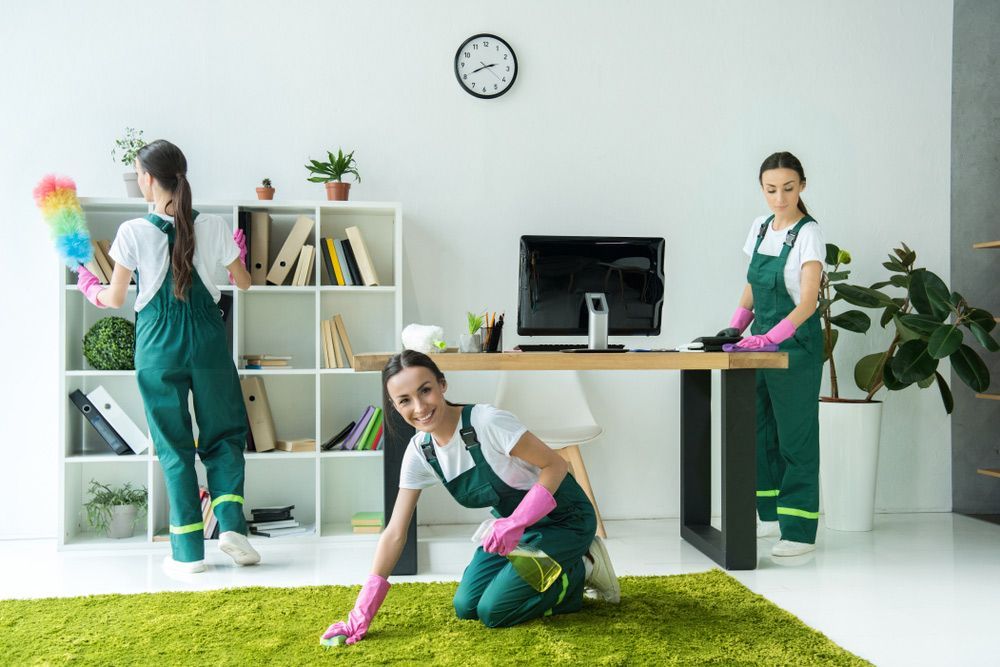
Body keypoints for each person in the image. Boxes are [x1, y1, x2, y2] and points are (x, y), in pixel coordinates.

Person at [322, 349, 620, 646]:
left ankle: (583, 566)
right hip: (516, 531)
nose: (419, 407)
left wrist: (517, 521)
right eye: (405, 401)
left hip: (565, 519)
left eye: (425, 390)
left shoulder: (487, 422)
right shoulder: (421, 451)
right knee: (467, 605)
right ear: (395, 406)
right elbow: (395, 533)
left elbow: (556, 465)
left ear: (442, 384)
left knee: (495, 610)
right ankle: (543, 562)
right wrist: (360, 614)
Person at [75, 139, 259, 573]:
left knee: (174, 448)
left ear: (146, 178)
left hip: (158, 345)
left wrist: (89, 285)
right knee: (225, 434)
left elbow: (116, 296)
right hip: (209, 341)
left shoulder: (132, 232)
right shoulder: (213, 226)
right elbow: (245, 283)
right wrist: (239, 253)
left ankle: (187, 553)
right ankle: (231, 527)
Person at [725, 151, 825, 558]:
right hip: (760, 345)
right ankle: (769, 517)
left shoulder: (808, 233)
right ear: (761, 189)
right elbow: (753, 284)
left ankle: (798, 531)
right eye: (771, 190)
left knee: (795, 438)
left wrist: (776, 335)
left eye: (788, 188)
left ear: (802, 185)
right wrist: (735, 326)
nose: (779, 198)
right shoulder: (761, 226)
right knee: (759, 430)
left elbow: (809, 300)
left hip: (795, 347)